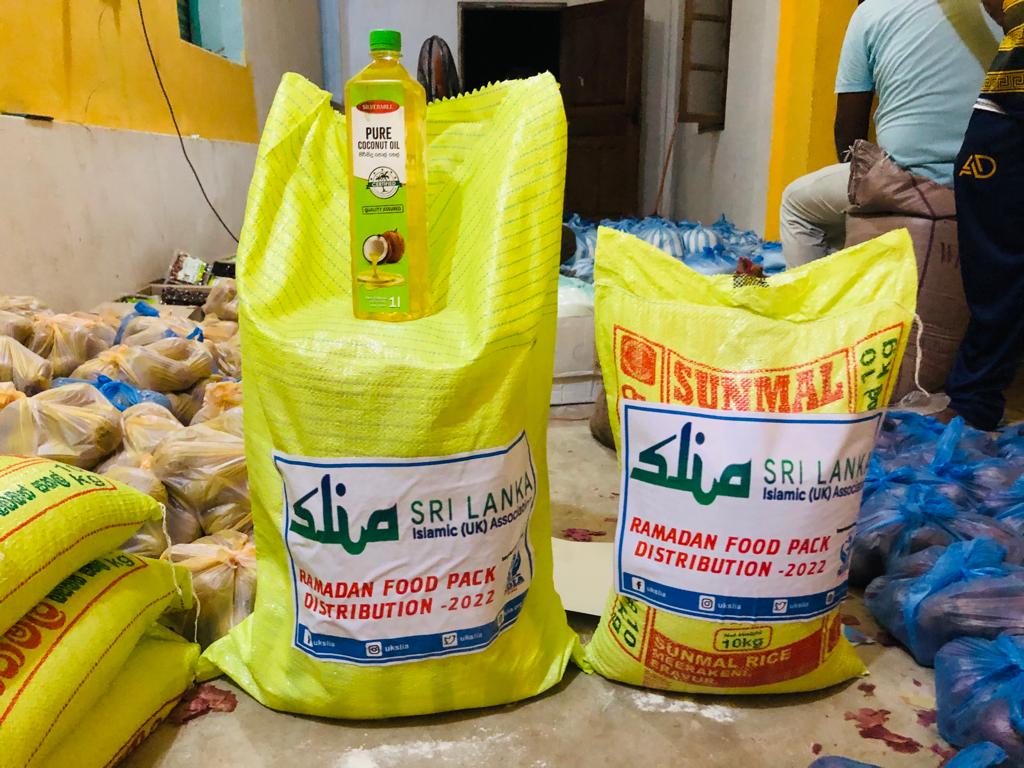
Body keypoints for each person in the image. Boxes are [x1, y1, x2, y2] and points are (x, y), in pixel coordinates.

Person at [781, 0, 1000, 267]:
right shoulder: (1009, 11)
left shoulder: (872, 12)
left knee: (796, 205)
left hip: (906, 177)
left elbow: (848, 134)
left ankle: (815, 306)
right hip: (992, 177)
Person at [944, 0, 1024, 430]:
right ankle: (975, 395)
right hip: (1010, 95)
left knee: (997, 254)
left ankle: (976, 396)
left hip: (1010, 100)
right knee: (994, 248)